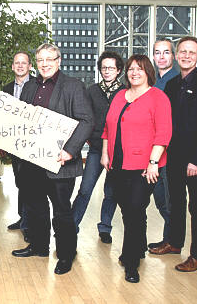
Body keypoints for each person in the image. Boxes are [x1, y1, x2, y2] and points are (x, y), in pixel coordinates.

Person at [11, 43, 93, 276]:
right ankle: (39, 247)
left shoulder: (73, 86)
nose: (45, 64)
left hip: (60, 162)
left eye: (50, 59)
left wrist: (70, 150)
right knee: (35, 207)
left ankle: (66, 254)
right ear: (36, 63)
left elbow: (87, 120)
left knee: (61, 211)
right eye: (40, 60)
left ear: (59, 61)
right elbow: (19, 118)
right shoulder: (29, 87)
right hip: (32, 161)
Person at [101, 54, 172, 283]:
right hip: (118, 165)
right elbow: (108, 127)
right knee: (129, 210)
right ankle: (138, 247)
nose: (134, 73)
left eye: (140, 69)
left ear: (148, 72)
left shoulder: (158, 97)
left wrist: (153, 163)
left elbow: (163, 133)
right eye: (131, 69)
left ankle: (131, 262)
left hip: (144, 167)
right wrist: (105, 154)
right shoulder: (120, 95)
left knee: (133, 210)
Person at [161, 36, 197, 272]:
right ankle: (175, 243)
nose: (186, 56)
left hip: (196, 158)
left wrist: (196, 159)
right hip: (174, 155)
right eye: (183, 52)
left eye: (192, 52)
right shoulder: (172, 84)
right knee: (175, 201)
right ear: (176, 55)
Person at [71, 51, 124, 244]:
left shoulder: (125, 92)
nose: (107, 71)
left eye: (111, 68)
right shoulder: (91, 90)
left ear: (118, 70)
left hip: (117, 150)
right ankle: (71, 226)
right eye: (104, 68)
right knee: (85, 189)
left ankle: (105, 228)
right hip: (95, 148)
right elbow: (85, 116)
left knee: (111, 192)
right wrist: (87, 137)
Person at [147, 38, 178, 251]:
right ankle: (171, 239)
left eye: (166, 52)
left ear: (173, 56)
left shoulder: (175, 81)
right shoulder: (155, 80)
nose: (161, 57)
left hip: (169, 151)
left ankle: (172, 241)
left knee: (166, 199)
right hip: (153, 149)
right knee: (160, 197)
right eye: (157, 52)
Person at [3, 52, 31, 240]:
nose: (20, 66)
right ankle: (23, 218)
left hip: (32, 145)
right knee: (20, 181)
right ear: (12, 67)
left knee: (32, 185)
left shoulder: (38, 85)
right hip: (14, 144)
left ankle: (30, 223)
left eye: (24, 63)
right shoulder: (6, 89)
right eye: (17, 63)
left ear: (29, 66)